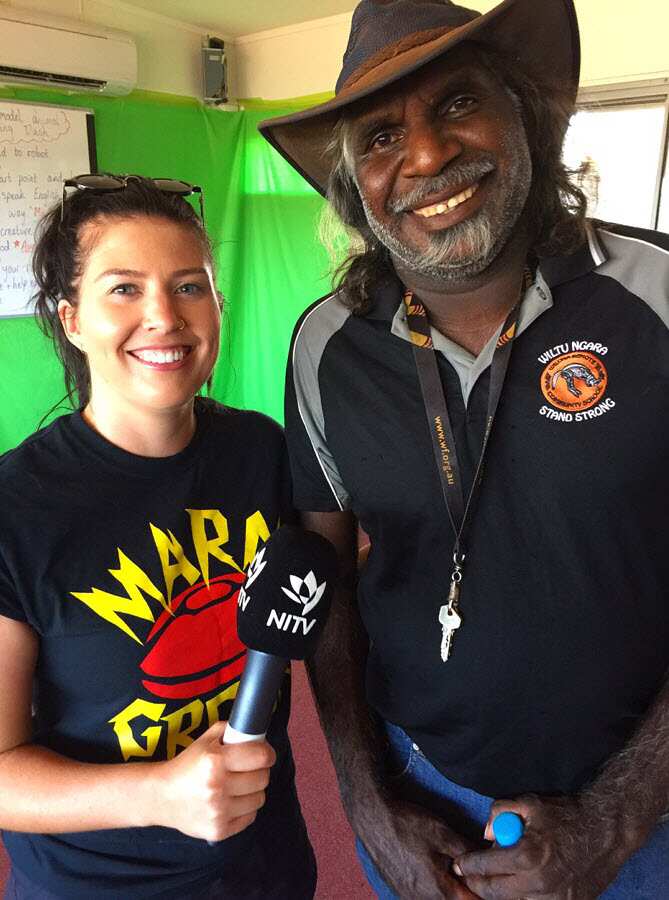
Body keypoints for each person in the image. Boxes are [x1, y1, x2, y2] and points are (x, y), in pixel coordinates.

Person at [259, 1, 669, 897]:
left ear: (522, 115)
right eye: (378, 138)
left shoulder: (657, 297)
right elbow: (323, 581)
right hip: (423, 796)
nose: (426, 156)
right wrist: (366, 803)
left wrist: (619, 816)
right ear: (354, 188)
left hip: (650, 814)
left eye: (454, 105)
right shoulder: (324, 346)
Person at [0, 175, 315, 899]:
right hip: (100, 886)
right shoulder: (17, 509)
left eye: (187, 286)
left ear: (217, 305)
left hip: (266, 865)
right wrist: (157, 795)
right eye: (123, 289)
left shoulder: (260, 451)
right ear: (70, 317)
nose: (163, 317)